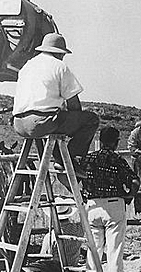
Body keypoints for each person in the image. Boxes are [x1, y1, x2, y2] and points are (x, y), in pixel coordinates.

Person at [12, 33, 99, 177]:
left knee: (55, 124)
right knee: (91, 119)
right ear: (60, 53)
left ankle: (60, 159)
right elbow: (74, 104)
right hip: (41, 123)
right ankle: (70, 160)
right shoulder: (59, 66)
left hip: (19, 124)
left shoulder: (27, 65)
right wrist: (75, 120)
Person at [80, 126, 140, 272]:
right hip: (114, 205)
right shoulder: (118, 159)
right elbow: (135, 182)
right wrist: (129, 197)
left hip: (92, 206)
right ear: (115, 142)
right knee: (114, 255)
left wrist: (81, 196)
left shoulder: (88, 158)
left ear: (100, 139)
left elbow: (68, 175)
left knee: (93, 254)